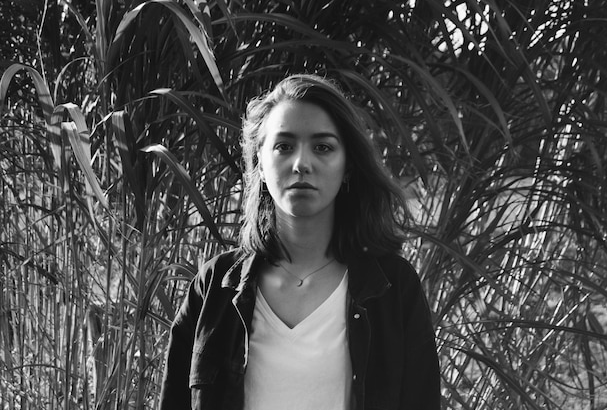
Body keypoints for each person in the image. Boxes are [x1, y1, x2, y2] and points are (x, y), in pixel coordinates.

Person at [159, 74, 440, 410]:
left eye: (322, 147)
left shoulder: (393, 288)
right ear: (260, 163)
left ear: (348, 166)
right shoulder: (214, 287)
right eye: (284, 146)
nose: (302, 164)